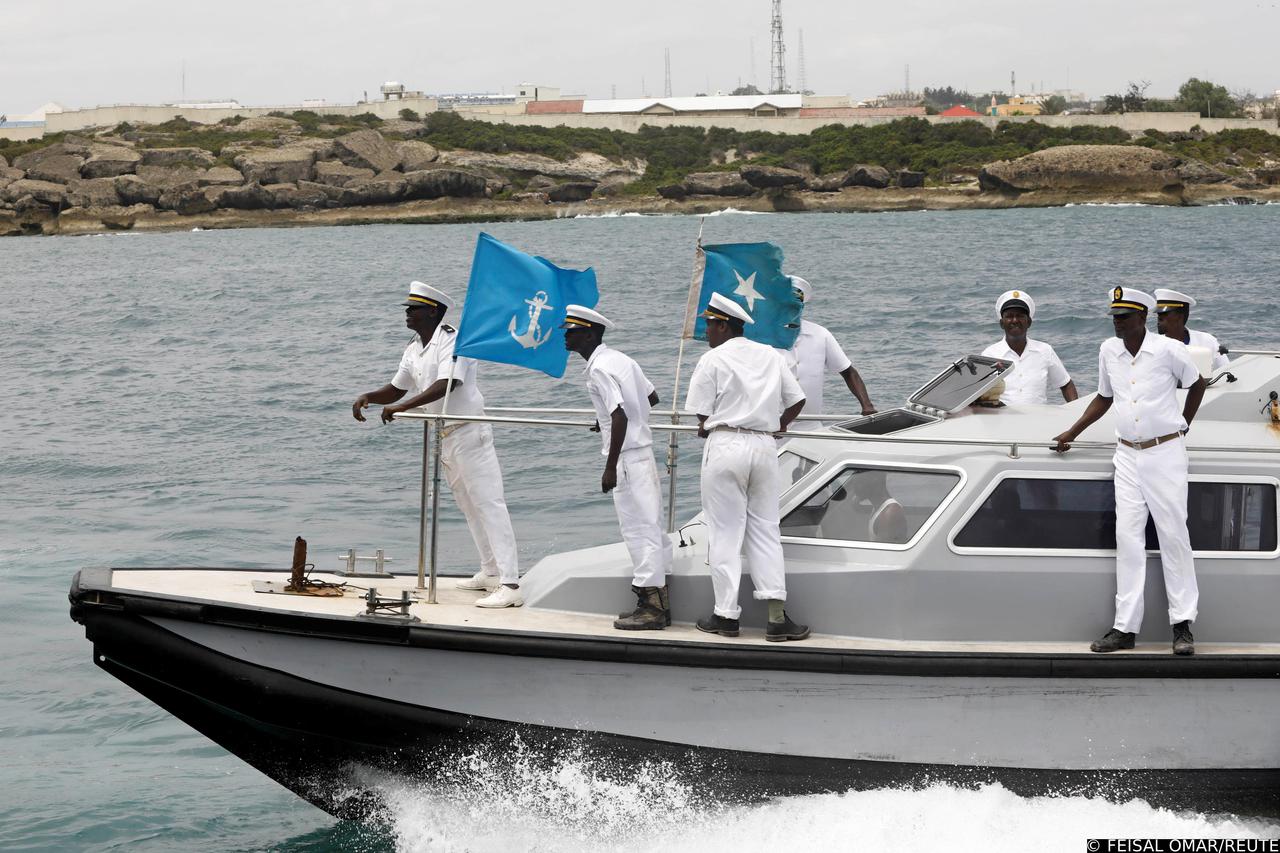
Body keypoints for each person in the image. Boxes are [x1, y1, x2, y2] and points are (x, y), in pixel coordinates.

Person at [1052, 287, 1206, 656]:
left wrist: (1184, 425)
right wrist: (1072, 432)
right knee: (1128, 538)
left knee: (1173, 535)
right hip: (1126, 455)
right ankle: (1125, 628)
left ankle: (1182, 626)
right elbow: (1104, 397)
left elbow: (1197, 383)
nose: (1117, 323)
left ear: (1142, 318)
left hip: (1165, 453)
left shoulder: (1168, 350)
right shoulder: (1109, 350)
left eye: (1124, 317)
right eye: (1115, 317)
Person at [351, 281, 523, 609]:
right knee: (468, 506)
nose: (407, 313)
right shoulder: (415, 347)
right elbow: (397, 388)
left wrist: (403, 407)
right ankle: (490, 571)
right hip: (447, 434)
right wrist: (369, 397)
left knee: (489, 504)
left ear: (432, 312)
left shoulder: (453, 340)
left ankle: (511, 583)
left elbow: (448, 383)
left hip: (470, 431)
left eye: (413, 308)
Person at [685, 292, 810, 642]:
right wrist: (779, 425)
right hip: (764, 445)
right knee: (766, 530)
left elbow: (701, 412)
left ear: (724, 326)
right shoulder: (770, 354)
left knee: (725, 533)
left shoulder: (712, 359)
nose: (707, 332)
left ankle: (726, 616)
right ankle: (776, 617)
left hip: (726, 444)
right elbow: (797, 399)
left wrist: (708, 425)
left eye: (710, 325)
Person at [561, 304, 673, 630]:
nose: (566, 336)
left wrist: (610, 466)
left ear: (589, 335)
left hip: (627, 459)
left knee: (637, 530)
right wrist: (607, 422)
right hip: (642, 453)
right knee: (651, 527)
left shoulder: (599, 368)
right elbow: (650, 398)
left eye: (572, 331)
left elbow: (620, 414)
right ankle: (660, 603)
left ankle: (651, 608)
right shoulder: (621, 359)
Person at [787, 276, 875, 427]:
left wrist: (867, 406)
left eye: (797, 305)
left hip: (810, 426)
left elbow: (848, 372)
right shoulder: (761, 336)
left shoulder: (821, 334)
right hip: (770, 425)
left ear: (802, 306)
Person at [981, 290, 1078, 405]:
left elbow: (1066, 384)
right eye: (1009, 316)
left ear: (1029, 322)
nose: (1015, 320)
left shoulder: (1045, 351)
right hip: (1003, 415)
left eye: (1020, 316)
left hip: (1038, 415)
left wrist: (1076, 410)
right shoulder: (989, 355)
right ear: (1002, 323)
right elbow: (978, 394)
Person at [1154, 288, 1229, 374]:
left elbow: (1227, 370)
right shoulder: (1154, 347)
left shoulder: (1207, 342)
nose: (1159, 318)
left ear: (1179, 317)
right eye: (1158, 314)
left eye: (1164, 314)